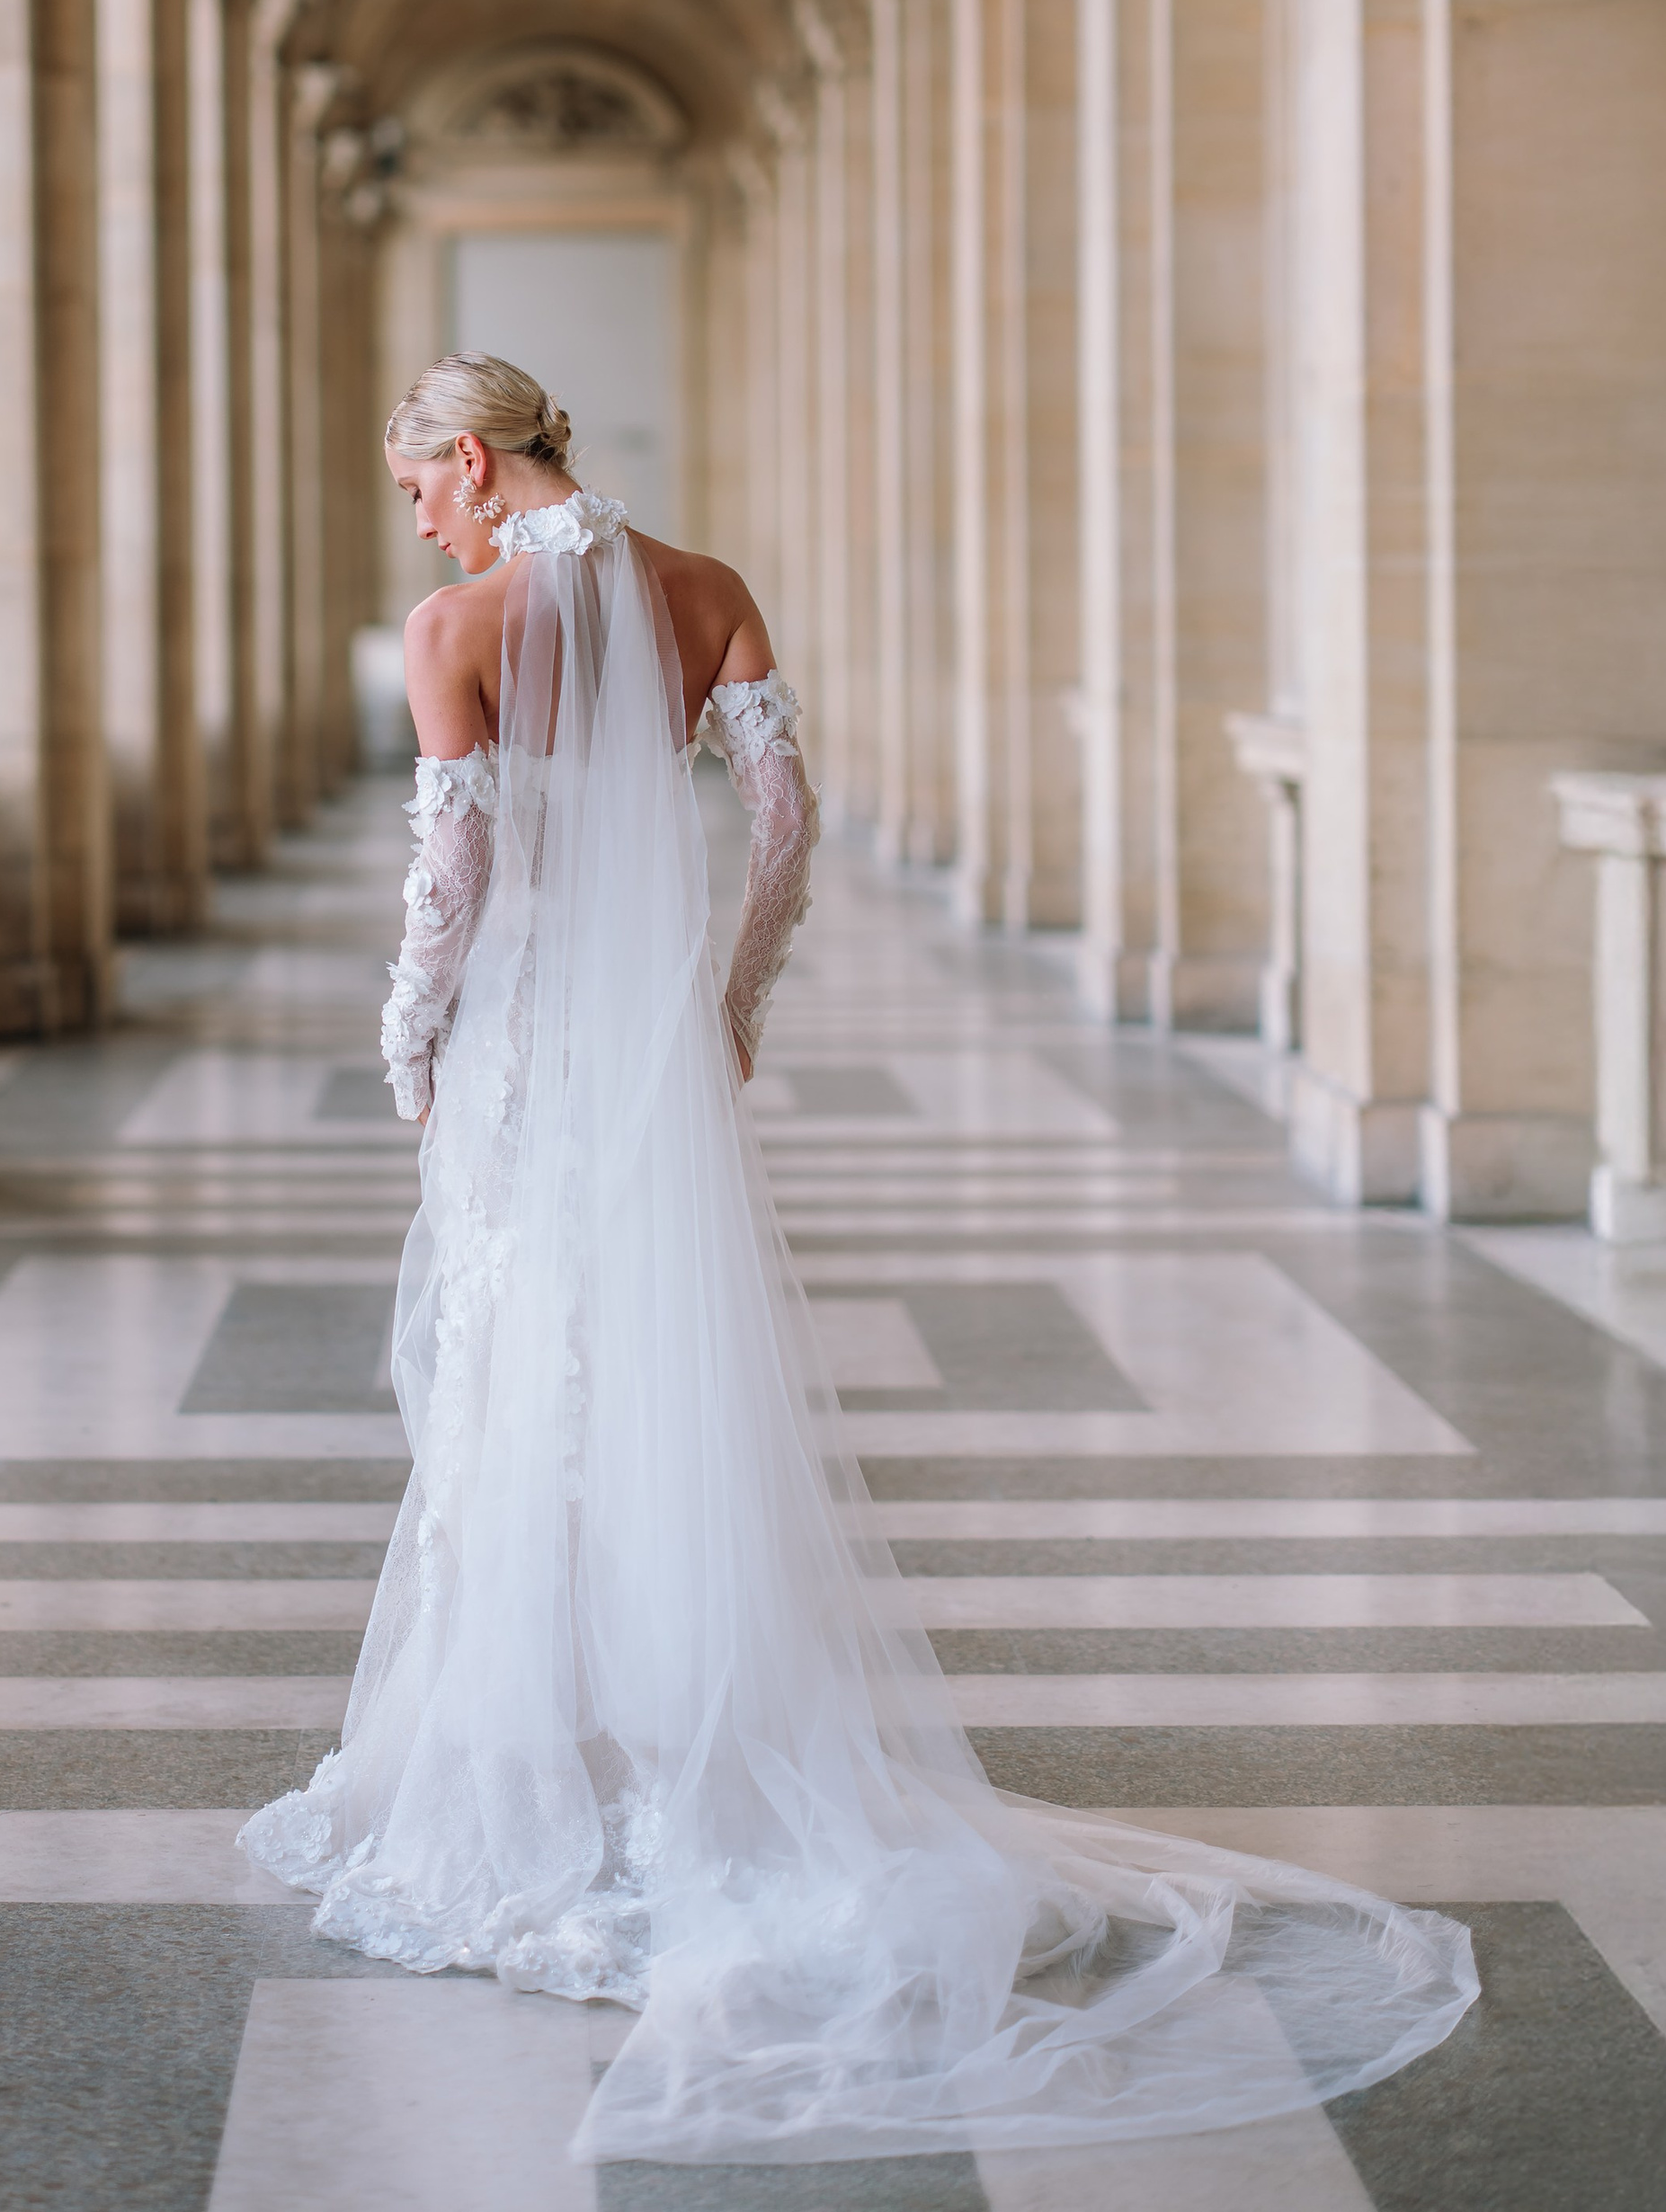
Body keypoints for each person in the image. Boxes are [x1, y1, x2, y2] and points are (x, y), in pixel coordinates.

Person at [241, 353, 1475, 2164]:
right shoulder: (707, 586)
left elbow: (451, 881)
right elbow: (783, 821)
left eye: (419, 474)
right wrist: (728, 1000)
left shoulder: (460, 621)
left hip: (521, 1058)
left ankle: (538, 1776)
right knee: (657, 1370)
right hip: (654, 1049)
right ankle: (679, 1755)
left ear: (484, 460)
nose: (412, 506)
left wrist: (409, 1042)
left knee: (520, 1375)